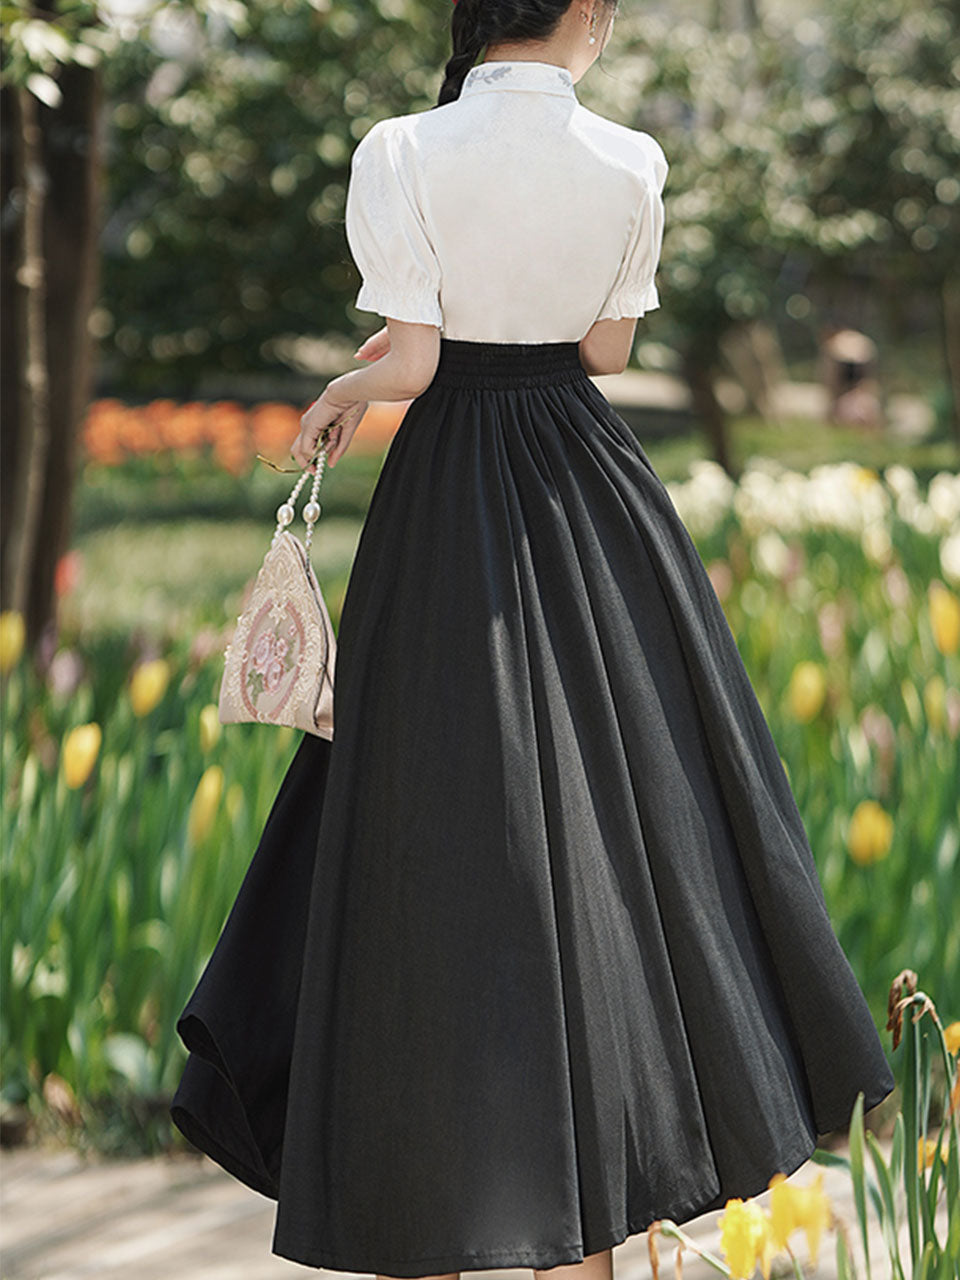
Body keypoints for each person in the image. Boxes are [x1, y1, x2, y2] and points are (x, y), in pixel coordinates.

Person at [169, 3, 896, 1278]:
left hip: (453, 498)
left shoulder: (401, 149)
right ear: (587, 15)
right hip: (591, 502)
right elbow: (605, 347)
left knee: (434, 846)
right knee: (623, 838)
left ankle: (431, 1205)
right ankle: (593, 1228)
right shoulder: (632, 162)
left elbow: (419, 356)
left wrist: (349, 387)